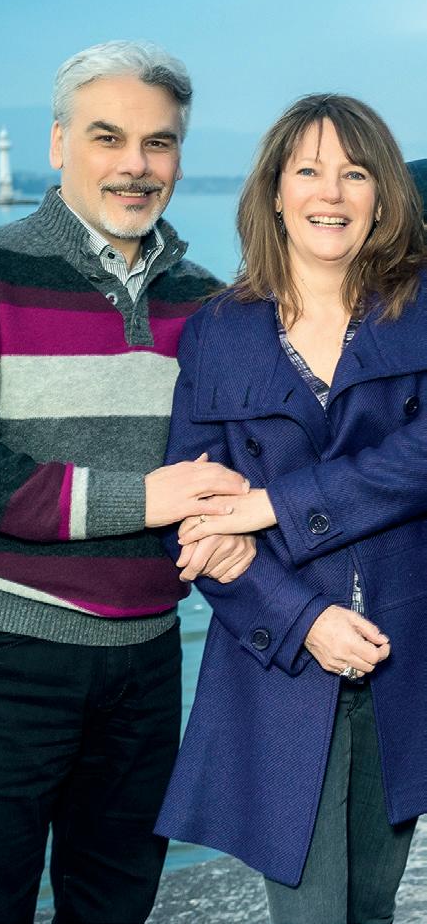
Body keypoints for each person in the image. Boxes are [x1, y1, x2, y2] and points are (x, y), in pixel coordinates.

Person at [0, 40, 254, 924]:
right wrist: (148, 500)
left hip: (145, 660)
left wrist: (232, 524)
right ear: (58, 143)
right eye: (107, 137)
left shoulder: (207, 303)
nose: (135, 165)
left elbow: (235, 466)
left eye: (158, 142)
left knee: (115, 906)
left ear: (179, 157)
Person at [155, 93, 427, 924]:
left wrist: (269, 505)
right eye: (308, 171)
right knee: (308, 913)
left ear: (382, 195)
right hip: (278, 659)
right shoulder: (217, 331)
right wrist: (305, 620)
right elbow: (194, 518)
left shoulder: (419, 308)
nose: (330, 193)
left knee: (372, 906)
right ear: (274, 191)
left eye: (354, 173)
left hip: (406, 649)